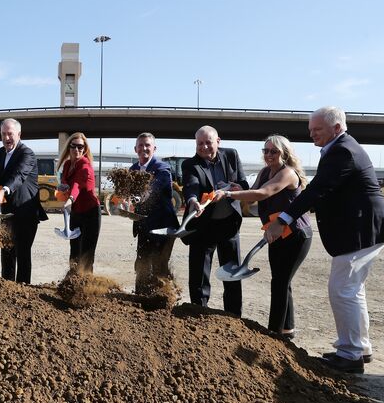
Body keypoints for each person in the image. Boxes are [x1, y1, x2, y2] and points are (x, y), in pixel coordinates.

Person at [265, 106, 384, 373]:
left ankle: (350, 355)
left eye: (317, 130)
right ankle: (360, 347)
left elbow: (317, 190)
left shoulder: (343, 151)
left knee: (342, 289)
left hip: (361, 230)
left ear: (336, 128)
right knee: (352, 289)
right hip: (365, 228)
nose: (312, 134)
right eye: (310, 130)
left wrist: (282, 221)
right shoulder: (341, 148)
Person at [212, 135, 312, 337]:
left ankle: (274, 332)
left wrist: (229, 195)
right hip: (276, 232)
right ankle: (288, 328)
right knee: (282, 280)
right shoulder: (265, 171)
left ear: (284, 153)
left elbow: (263, 193)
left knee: (280, 282)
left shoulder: (288, 174)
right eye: (265, 151)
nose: (268, 155)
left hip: (296, 234)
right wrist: (240, 190)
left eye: (273, 151)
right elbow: (253, 192)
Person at [181, 125, 248, 316]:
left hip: (229, 224)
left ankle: (234, 316)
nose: (203, 147)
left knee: (233, 273)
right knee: (199, 274)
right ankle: (199, 312)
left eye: (208, 143)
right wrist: (193, 201)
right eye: (199, 144)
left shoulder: (232, 156)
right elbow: (191, 187)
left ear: (218, 141)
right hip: (203, 225)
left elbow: (243, 184)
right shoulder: (190, 164)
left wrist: (231, 189)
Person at [0, 118, 48, 283]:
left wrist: (4, 190)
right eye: (3, 134)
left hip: (26, 212)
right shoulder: (0, 153)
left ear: (19, 134)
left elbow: (19, 176)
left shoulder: (27, 153)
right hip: (7, 213)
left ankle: (23, 290)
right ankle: (6, 288)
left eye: (10, 134)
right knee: (7, 252)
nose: (7, 138)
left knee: (22, 254)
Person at [130, 132, 180, 294]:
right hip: (143, 225)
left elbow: (155, 188)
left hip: (163, 227)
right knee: (142, 264)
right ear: (135, 148)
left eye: (147, 145)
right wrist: (126, 199)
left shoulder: (162, 168)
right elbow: (128, 191)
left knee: (159, 265)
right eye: (141, 145)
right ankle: (141, 298)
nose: (144, 148)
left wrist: (140, 196)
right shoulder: (133, 169)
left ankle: (164, 299)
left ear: (154, 148)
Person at [58, 133, 101, 273]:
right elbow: (65, 180)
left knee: (86, 254)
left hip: (91, 214)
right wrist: (63, 186)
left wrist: (70, 200)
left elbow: (77, 184)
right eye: (74, 146)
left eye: (80, 147)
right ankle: (72, 284)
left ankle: (87, 288)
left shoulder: (85, 166)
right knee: (74, 252)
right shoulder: (67, 164)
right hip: (76, 213)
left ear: (85, 149)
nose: (77, 149)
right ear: (69, 147)